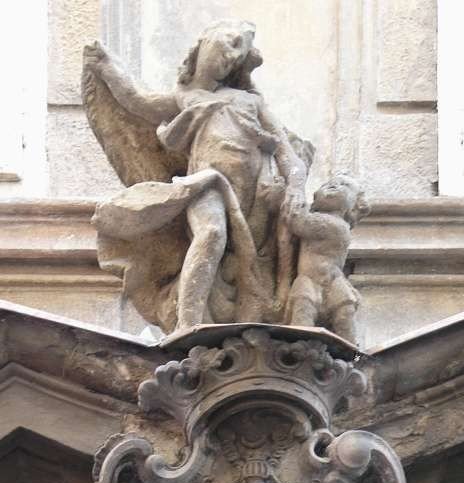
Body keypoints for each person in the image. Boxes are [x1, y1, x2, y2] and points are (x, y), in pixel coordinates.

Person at [84, 20, 309, 330]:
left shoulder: (251, 101)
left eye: (239, 54)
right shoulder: (185, 98)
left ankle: (252, 318)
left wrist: (295, 184)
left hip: (254, 193)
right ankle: (187, 326)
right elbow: (137, 102)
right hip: (207, 184)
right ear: (204, 42)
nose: (231, 56)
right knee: (212, 233)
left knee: (251, 262)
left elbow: (286, 151)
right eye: (229, 43)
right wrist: (106, 67)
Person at [284, 173, 370, 344]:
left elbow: (296, 221)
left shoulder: (332, 224)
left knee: (342, 311)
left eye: (344, 185)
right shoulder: (333, 222)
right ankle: (348, 349)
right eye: (329, 184)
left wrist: (294, 187)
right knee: (306, 307)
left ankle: (345, 349)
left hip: (330, 279)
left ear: (352, 208)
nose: (335, 185)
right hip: (313, 279)